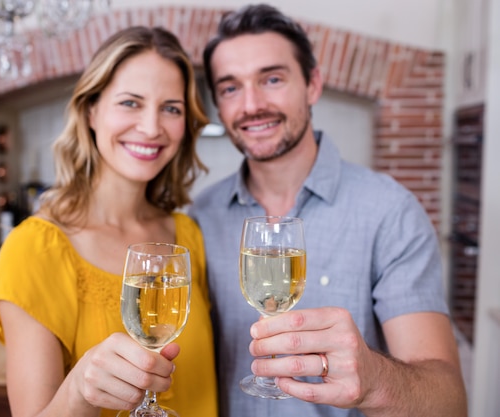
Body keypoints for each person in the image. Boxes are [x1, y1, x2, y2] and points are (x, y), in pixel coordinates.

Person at [188, 4, 467, 417]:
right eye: (230, 88)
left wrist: (375, 379)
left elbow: (449, 402)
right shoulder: (200, 217)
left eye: (273, 79)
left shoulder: (391, 212)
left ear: (313, 84)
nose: (251, 104)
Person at [0, 26, 218, 417]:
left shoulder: (187, 236)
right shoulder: (35, 248)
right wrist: (80, 388)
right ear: (91, 110)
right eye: (130, 102)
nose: (151, 127)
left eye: (171, 108)